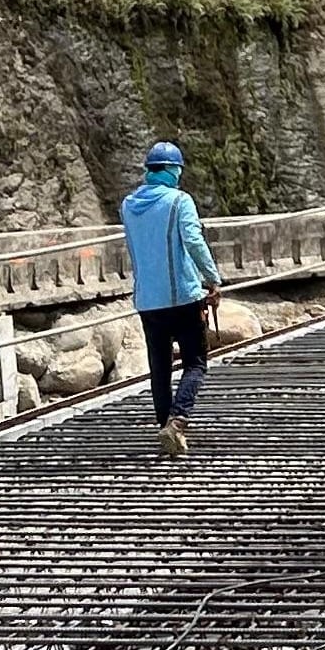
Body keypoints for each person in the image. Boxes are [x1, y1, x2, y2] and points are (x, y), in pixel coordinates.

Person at [123, 140, 222, 456]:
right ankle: (178, 421)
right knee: (195, 362)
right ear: (173, 170)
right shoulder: (180, 202)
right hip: (183, 296)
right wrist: (213, 278)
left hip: (147, 301)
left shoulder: (128, 205)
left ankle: (165, 428)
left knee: (160, 367)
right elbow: (193, 241)